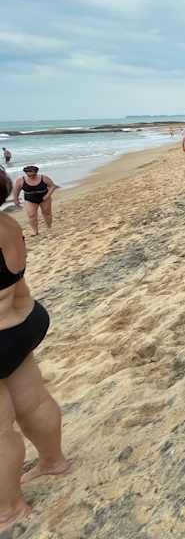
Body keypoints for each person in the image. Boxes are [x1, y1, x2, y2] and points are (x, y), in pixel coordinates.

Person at [0, 167, 72, 532]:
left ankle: (9, 509)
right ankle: (53, 461)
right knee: (34, 400)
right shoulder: (8, 224)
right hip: (22, 320)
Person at [12, 168, 57, 238]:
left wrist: (47, 195)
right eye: (29, 175)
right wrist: (16, 200)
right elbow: (16, 190)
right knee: (31, 215)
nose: (32, 177)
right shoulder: (20, 180)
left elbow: (52, 186)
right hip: (30, 199)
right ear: (26, 173)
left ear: (36, 173)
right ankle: (35, 231)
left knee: (47, 213)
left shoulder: (44, 178)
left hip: (44, 198)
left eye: (33, 175)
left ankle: (49, 227)